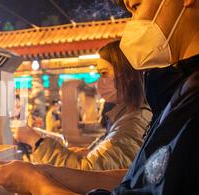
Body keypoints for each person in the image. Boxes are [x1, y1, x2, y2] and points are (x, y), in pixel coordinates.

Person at [0, 0, 199, 195]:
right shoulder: (178, 90)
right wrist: (51, 173)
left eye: (135, 6)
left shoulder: (190, 100)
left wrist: (37, 184)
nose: (132, 24)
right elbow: (142, 181)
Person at [14, 40, 152, 170]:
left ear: (128, 75)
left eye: (104, 73)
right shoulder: (125, 117)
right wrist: (89, 152)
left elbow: (88, 172)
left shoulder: (133, 124)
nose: (99, 83)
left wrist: (36, 142)